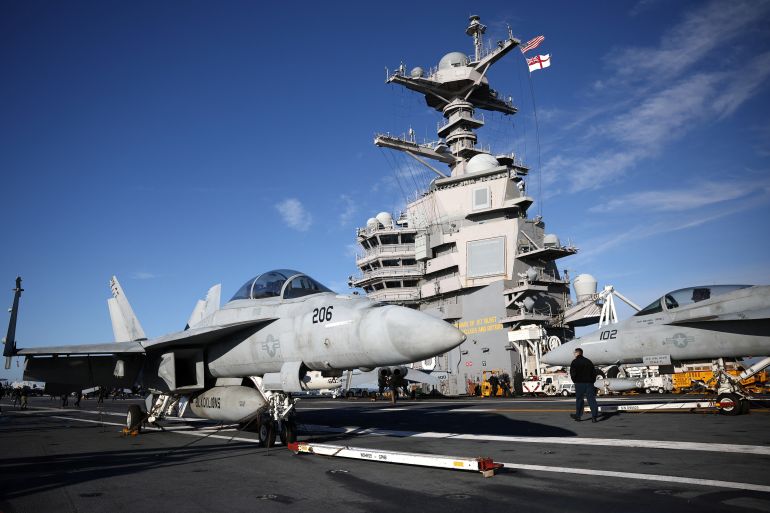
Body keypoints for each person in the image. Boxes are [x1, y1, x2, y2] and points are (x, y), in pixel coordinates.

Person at [569, 348, 599, 422]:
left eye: (574, 353)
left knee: (579, 400)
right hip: (589, 384)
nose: (574, 354)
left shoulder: (574, 362)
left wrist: (575, 381)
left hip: (579, 384)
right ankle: (594, 417)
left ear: (577, 353)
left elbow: (572, 373)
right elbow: (594, 373)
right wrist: (592, 381)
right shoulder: (589, 361)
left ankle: (578, 416)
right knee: (591, 400)